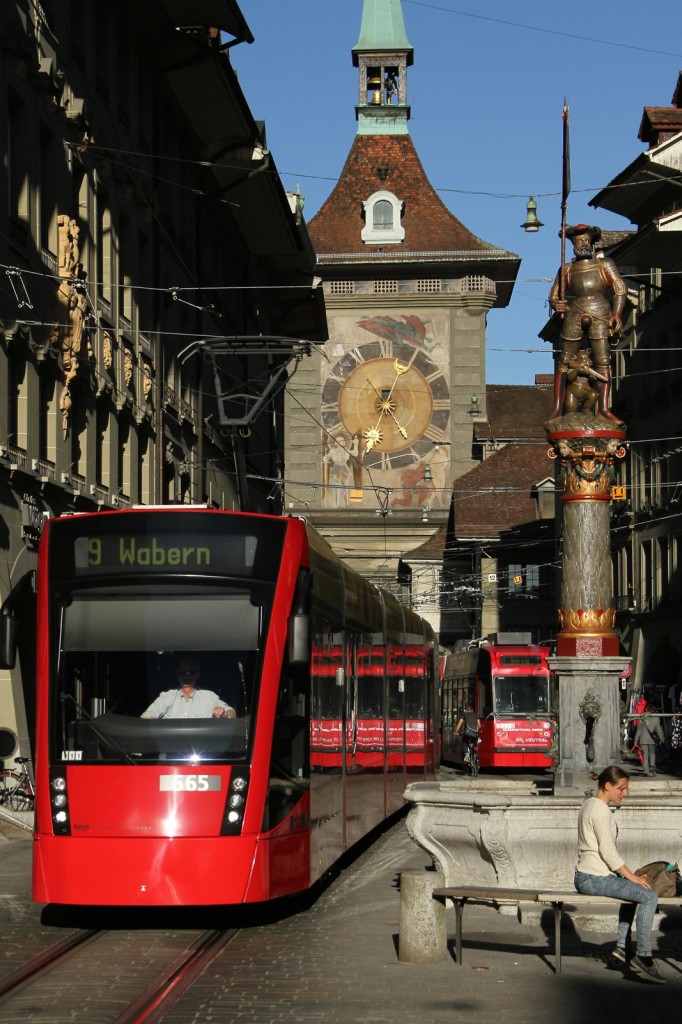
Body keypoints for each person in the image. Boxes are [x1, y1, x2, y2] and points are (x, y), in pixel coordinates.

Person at [575, 765, 664, 983]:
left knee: (633, 893)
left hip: (589, 875)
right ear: (607, 786)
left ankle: (623, 949)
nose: (625, 793)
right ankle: (644, 955)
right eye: (621, 789)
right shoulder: (600, 809)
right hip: (592, 877)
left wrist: (628, 877)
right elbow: (607, 850)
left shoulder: (589, 804)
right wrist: (630, 876)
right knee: (648, 895)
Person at [548, 224, 628, 421]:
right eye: (578, 241)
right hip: (575, 310)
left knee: (602, 360)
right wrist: (557, 304)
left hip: (599, 309)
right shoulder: (566, 269)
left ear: (592, 243)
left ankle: (603, 409)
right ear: (573, 244)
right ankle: (557, 408)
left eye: (585, 240)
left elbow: (620, 288)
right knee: (564, 360)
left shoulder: (604, 264)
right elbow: (554, 294)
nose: (582, 244)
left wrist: (616, 313)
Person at [141, 657, 236, 720]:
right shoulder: (166, 696)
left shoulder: (209, 696)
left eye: (191, 672)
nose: (186, 676)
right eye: (182, 673)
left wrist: (224, 714)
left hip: (202, 749)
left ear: (198, 674)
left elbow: (232, 713)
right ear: (177, 674)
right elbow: (146, 717)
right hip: (171, 748)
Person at [634, 704, 662, 777]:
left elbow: (639, 730)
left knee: (645, 756)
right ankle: (652, 767)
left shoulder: (642, 718)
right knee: (652, 754)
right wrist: (661, 738)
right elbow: (659, 730)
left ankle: (646, 772)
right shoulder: (656, 718)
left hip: (643, 739)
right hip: (652, 740)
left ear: (646, 709)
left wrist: (635, 740)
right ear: (652, 710)